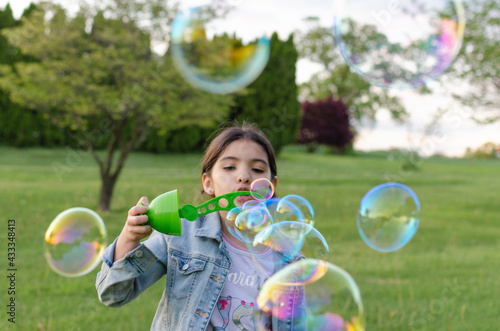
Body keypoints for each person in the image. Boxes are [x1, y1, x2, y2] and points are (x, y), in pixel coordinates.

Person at [96, 122, 303, 330]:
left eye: (257, 169)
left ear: (271, 186)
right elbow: (113, 294)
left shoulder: (288, 259)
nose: (244, 177)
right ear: (208, 183)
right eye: (229, 167)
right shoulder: (180, 233)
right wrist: (129, 237)